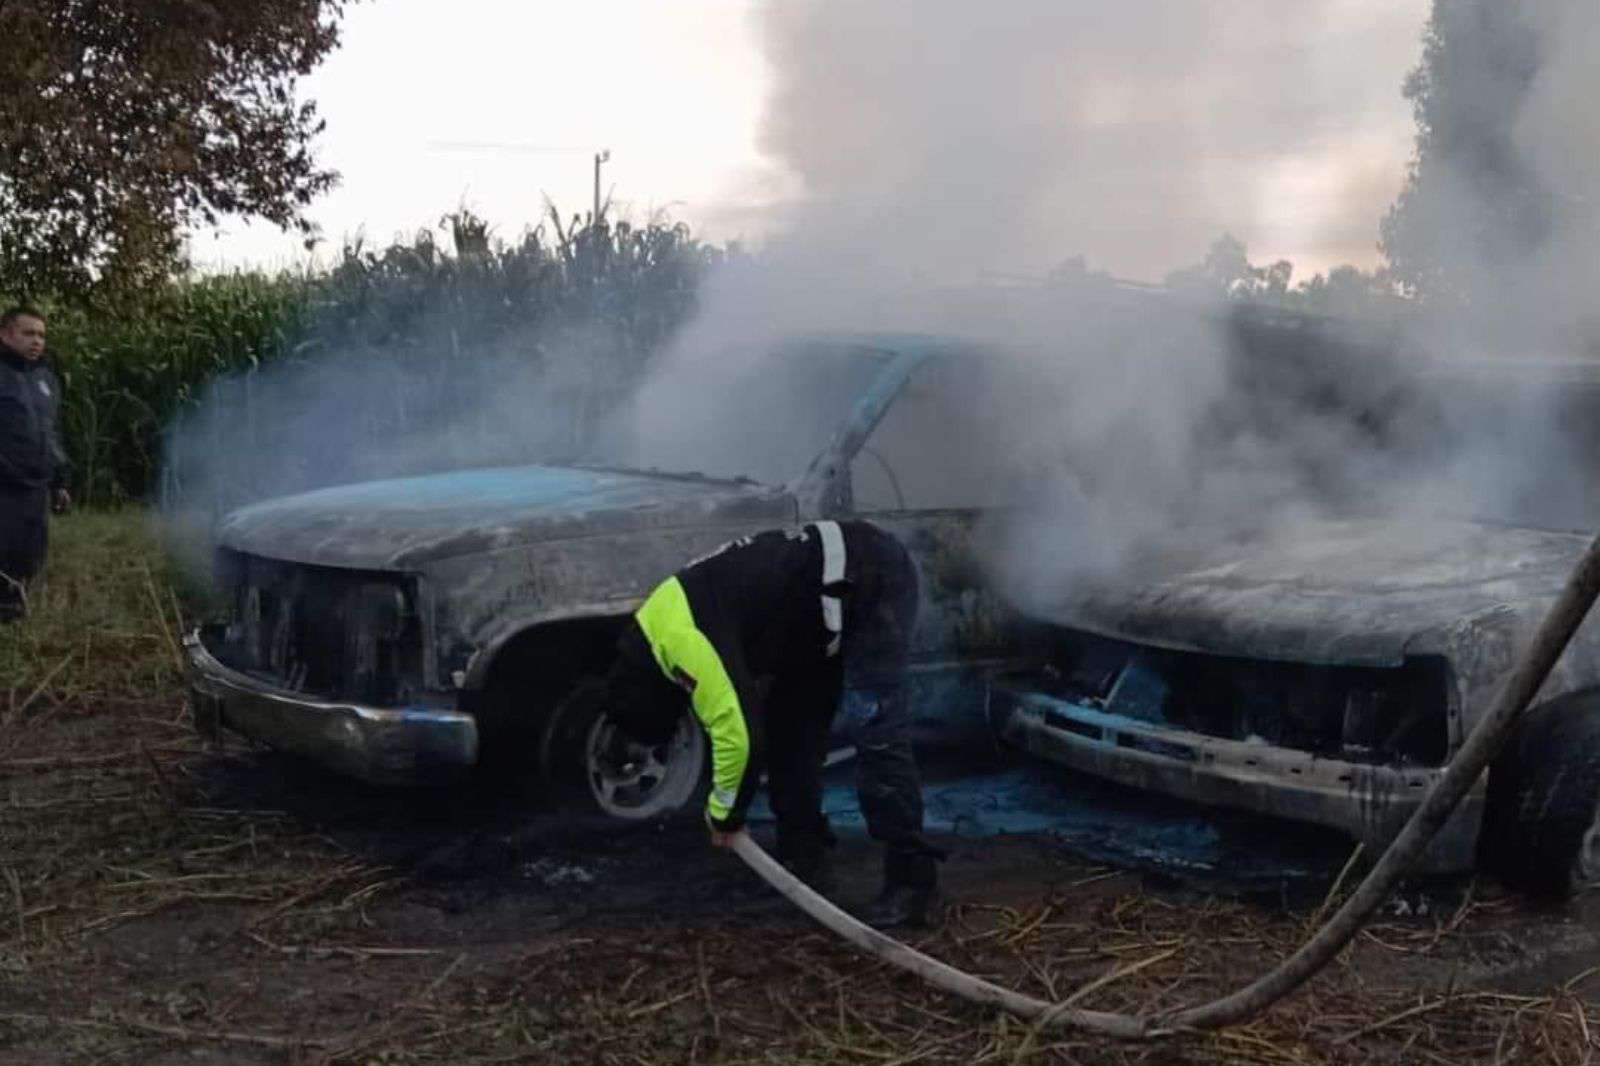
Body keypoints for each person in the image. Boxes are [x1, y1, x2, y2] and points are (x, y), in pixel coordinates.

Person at [602, 520, 943, 928]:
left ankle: (912, 880)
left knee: (877, 731)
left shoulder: (681, 641)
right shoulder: (657, 625)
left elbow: (738, 734)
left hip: (870, 578)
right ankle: (804, 862)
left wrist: (724, 813)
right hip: (811, 614)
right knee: (791, 732)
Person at [0, 305, 71, 621]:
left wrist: (59, 481)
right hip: (5, 484)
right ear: (5, 334)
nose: (36, 341)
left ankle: (15, 610)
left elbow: (50, 432)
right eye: (28, 333)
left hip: (36, 484)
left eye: (41, 335)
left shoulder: (45, 379)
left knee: (30, 552)